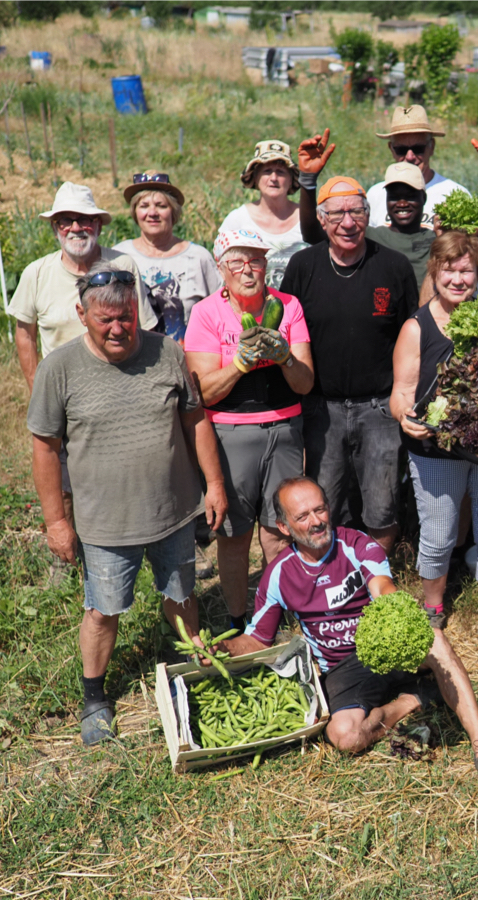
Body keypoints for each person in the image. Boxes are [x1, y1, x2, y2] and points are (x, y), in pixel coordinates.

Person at [26, 259, 228, 746]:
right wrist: (57, 521)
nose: (118, 329)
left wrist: (214, 485)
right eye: (105, 320)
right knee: (103, 610)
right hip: (104, 521)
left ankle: (187, 670)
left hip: (173, 510)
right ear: (82, 313)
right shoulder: (60, 369)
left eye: (126, 317)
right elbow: (44, 448)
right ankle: (94, 696)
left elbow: (195, 420)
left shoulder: (168, 353)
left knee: (180, 594)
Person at [214, 477, 478, 799]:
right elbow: (258, 639)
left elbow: (382, 584)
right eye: (303, 516)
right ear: (284, 527)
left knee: (436, 640)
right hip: (342, 667)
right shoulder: (278, 575)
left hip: (386, 645)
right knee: (346, 737)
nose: (316, 521)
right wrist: (222, 648)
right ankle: (414, 698)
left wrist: (390, 605)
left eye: (320, 510)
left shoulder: (356, 544)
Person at [8, 182, 158, 582]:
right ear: (55, 227)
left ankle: (142, 548)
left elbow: (142, 327)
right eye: (65, 220)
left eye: (83, 219)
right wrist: (38, 386)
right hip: (65, 391)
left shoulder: (122, 266)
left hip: (121, 385)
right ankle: (66, 555)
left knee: (131, 467)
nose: (75, 227)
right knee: (62, 473)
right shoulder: (37, 273)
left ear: (98, 224)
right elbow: (25, 332)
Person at [390, 233, 478, 662]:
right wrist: (406, 417)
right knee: (439, 535)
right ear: (435, 272)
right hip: (435, 452)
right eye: (450, 270)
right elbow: (401, 392)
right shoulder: (416, 327)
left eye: (466, 270)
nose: (458, 279)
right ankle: (432, 611)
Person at [184, 230, 315, 634]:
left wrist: (283, 358)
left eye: (256, 260)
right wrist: (240, 364)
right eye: (238, 262)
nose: (248, 269)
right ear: (221, 269)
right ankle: (239, 620)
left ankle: (275, 615)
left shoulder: (287, 306)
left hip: (285, 428)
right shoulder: (207, 313)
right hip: (230, 434)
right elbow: (202, 390)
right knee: (234, 536)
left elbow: (306, 383)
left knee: (278, 532)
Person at [279, 177, 418, 556]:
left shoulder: (393, 265)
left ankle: (377, 583)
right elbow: (286, 330)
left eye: (356, 211)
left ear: (368, 216)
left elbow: (412, 335)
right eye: (337, 213)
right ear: (321, 221)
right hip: (321, 409)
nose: (347, 222)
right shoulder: (303, 266)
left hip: (380, 407)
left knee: (382, 504)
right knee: (324, 504)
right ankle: (330, 578)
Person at [296, 135, 437, 288]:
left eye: (410, 197)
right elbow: (311, 234)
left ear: (423, 198)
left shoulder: (437, 239)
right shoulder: (370, 237)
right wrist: (308, 181)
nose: (402, 203)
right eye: (395, 197)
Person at [113, 171, 220, 345]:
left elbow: (221, 311)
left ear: (173, 211)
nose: (152, 212)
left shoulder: (198, 257)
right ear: (135, 211)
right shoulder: (120, 257)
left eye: (161, 206)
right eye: (144, 205)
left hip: (189, 361)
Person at [366, 105, 469, 226]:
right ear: (391, 150)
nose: (410, 157)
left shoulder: (454, 194)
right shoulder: (375, 195)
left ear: (432, 147)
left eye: (418, 148)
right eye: (401, 150)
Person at [218, 140, 303, 252]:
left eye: (280, 172)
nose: (273, 178)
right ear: (256, 178)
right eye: (267, 171)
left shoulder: (307, 217)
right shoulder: (237, 221)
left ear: (291, 180)